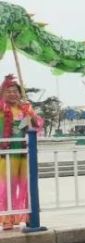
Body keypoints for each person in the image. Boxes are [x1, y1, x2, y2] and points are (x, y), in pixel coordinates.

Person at [0, 74, 43, 230]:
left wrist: (30, 113)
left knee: (25, 186)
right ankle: (6, 219)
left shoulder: (25, 108)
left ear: (20, 93)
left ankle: (25, 216)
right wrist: (4, 83)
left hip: (24, 154)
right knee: (6, 188)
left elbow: (36, 125)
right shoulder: (1, 108)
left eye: (15, 91)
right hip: (5, 155)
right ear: (3, 93)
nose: (12, 94)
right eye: (8, 91)